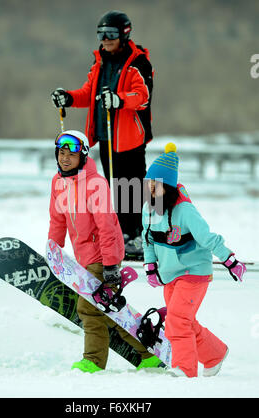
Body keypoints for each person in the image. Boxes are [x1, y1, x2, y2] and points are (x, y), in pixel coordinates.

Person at [48, 129, 161, 373]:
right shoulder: (58, 183)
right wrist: (53, 252)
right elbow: (57, 220)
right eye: (61, 152)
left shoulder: (95, 184)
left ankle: (93, 361)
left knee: (88, 309)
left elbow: (107, 226)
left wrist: (110, 266)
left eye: (71, 153)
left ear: (84, 155)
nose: (65, 157)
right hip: (82, 258)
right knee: (112, 312)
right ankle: (148, 355)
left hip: (102, 255)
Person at [51, 10, 154, 260]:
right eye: (101, 33)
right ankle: (120, 236)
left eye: (110, 33)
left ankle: (136, 235)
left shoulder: (138, 62)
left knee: (130, 186)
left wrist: (119, 100)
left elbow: (142, 95)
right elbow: (89, 93)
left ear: (124, 34)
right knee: (112, 188)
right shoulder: (99, 62)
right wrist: (69, 97)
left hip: (129, 136)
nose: (105, 39)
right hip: (106, 134)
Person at [142, 142, 247, 378]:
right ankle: (215, 354)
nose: (150, 190)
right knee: (183, 321)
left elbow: (208, 238)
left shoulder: (185, 211)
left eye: (155, 186)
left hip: (194, 272)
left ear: (167, 188)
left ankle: (184, 370)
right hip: (170, 274)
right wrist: (150, 266)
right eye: (148, 184)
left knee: (177, 321)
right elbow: (147, 239)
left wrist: (230, 260)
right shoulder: (148, 210)